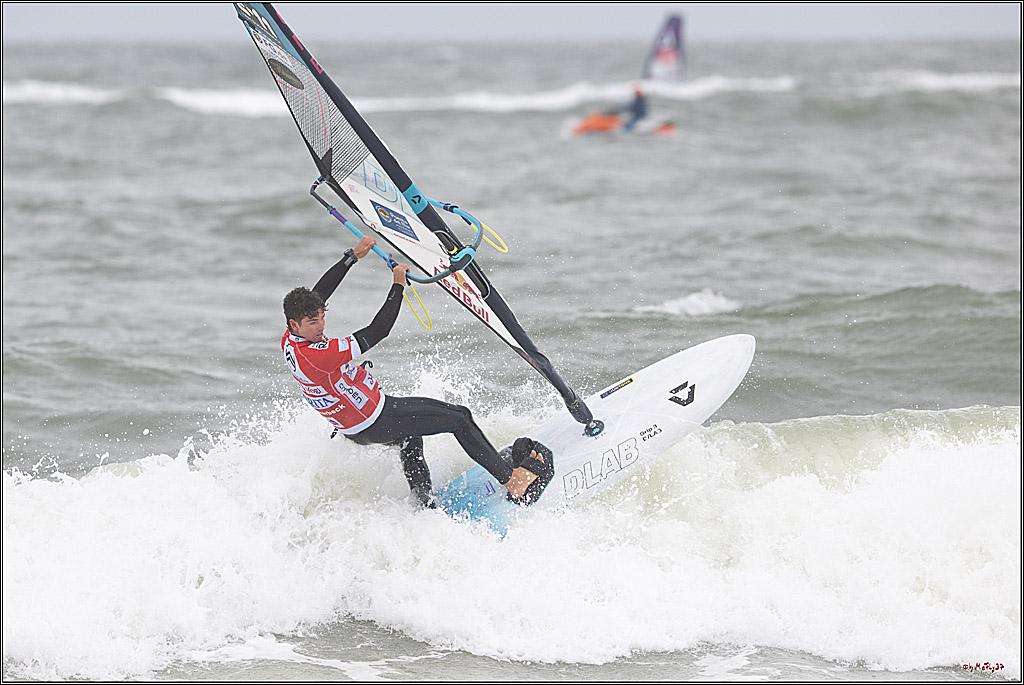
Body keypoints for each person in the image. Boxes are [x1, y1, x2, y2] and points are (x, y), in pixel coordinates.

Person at [281, 236, 553, 509]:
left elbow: (319, 294)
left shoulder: (291, 339)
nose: (320, 326)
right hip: (375, 418)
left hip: (352, 426)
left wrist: (351, 257)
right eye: (313, 322)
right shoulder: (318, 355)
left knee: (410, 437)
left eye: (321, 318)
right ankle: (513, 482)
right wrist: (397, 286)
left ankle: (423, 503)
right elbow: (377, 332)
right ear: (295, 323)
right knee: (460, 418)